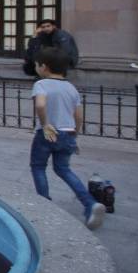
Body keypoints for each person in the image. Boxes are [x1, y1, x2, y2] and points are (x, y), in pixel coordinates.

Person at [29, 48, 104, 229]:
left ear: (44, 67)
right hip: (68, 133)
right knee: (64, 169)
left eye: (37, 65)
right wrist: (74, 136)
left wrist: (45, 123)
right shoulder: (71, 88)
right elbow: (78, 115)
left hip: (47, 133)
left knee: (38, 167)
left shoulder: (41, 84)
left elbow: (40, 104)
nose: (36, 68)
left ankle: (44, 204)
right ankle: (90, 203)